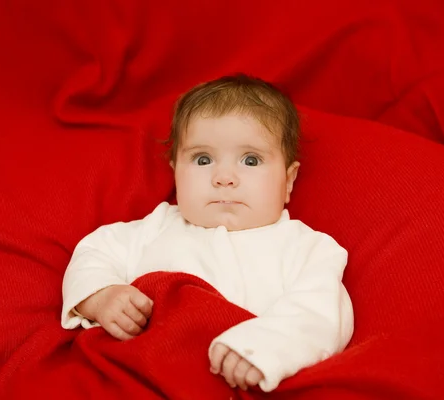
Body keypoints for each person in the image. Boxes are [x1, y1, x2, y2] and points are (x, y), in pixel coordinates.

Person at [61, 74, 354, 392]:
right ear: (176, 173)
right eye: (203, 159)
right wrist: (101, 297)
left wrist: (262, 348)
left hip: (231, 383)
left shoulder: (307, 248)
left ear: (289, 181)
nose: (224, 177)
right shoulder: (155, 228)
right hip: (138, 377)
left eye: (250, 160)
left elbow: (322, 314)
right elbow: (94, 253)